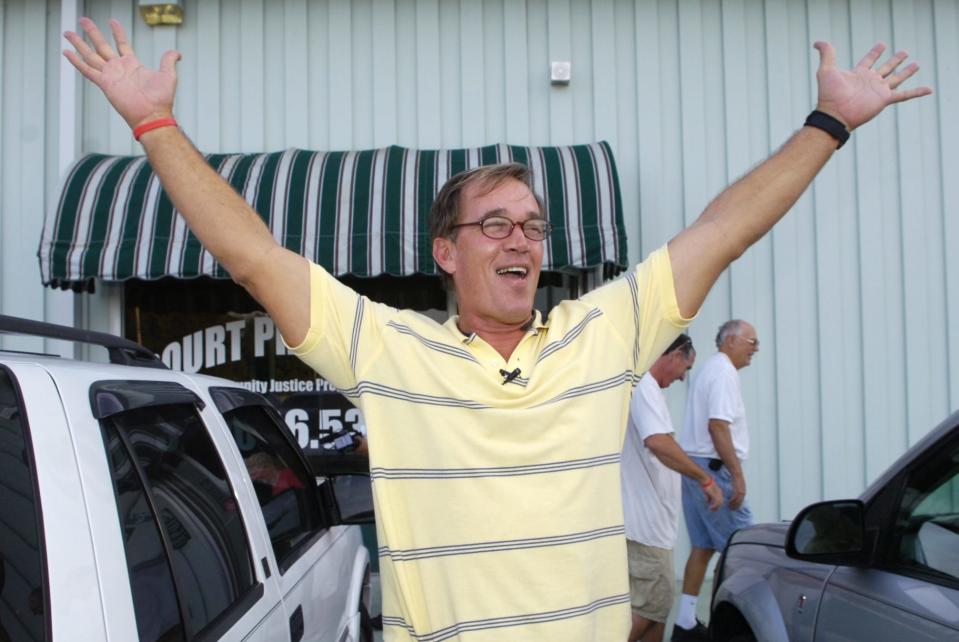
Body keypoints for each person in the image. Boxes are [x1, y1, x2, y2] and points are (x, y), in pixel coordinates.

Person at [63, 18, 930, 641]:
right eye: (495, 224)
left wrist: (830, 124)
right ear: (446, 250)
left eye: (533, 225)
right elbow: (253, 255)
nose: (520, 238)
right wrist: (153, 122)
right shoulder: (386, 346)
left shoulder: (604, 332)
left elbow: (721, 228)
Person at [621, 334, 722, 642]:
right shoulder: (644, 387)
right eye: (686, 367)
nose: (682, 377)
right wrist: (703, 478)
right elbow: (658, 441)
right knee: (647, 607)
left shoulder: (646, 388)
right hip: (645, 527)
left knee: (658, 608)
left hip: (652, 529)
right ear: (675, 353)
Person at [672, 320, 759, 641]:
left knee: (703, 546)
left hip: (694, 465)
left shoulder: (711, 369)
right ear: (732, 340)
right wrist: (737, 475)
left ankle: (684, 622)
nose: (756, 349)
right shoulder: (724, 373)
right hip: (712, 468)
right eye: (752, 342)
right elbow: (718, 427)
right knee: (742, 547)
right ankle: (729, 626)